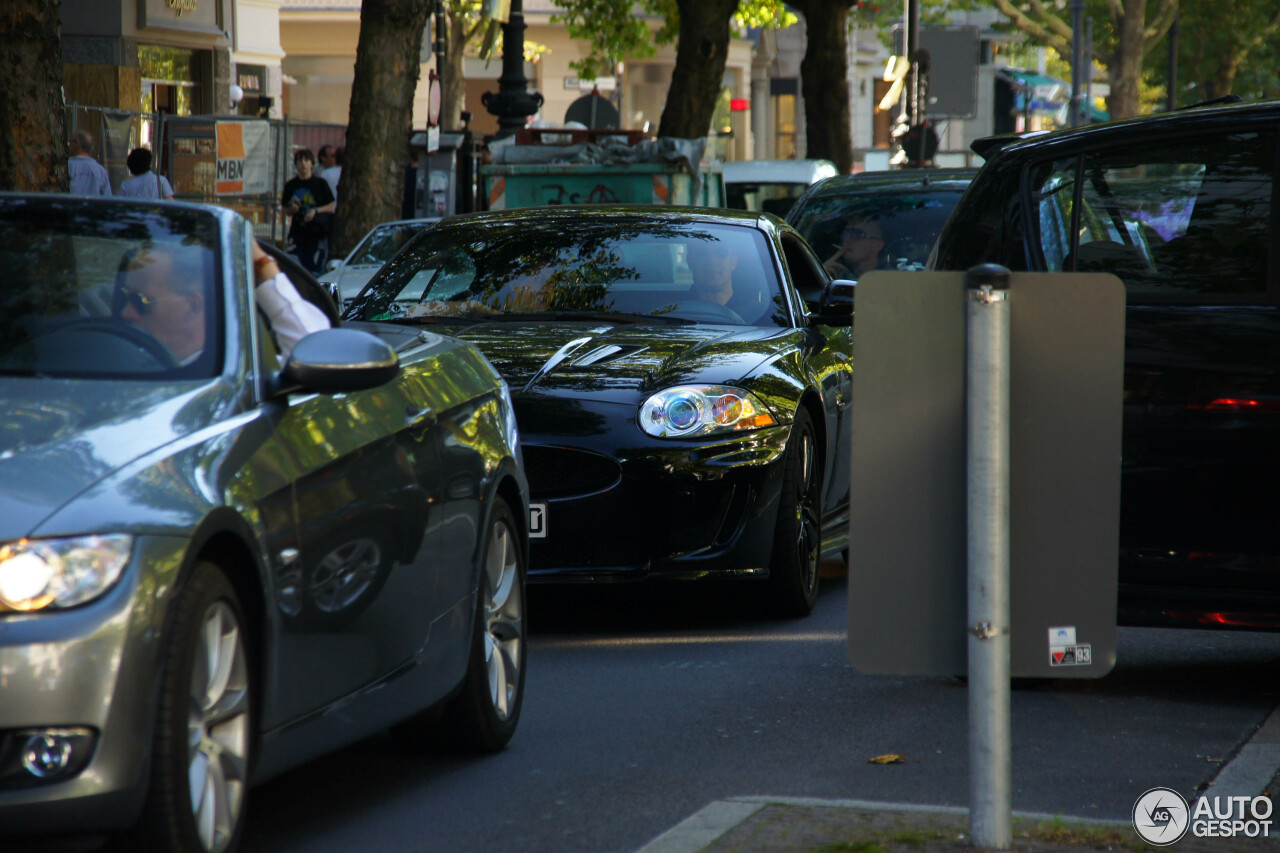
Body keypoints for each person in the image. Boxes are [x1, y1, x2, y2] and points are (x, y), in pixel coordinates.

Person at [119, 238, 329, 366]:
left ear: (193, 306)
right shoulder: (115, 362)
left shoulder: (240, 377)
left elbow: (315, 359)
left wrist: (262, 263)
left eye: (141, 301)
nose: (126, 313)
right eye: (124, 297)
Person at [280, 148, 336, 274]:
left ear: (312, 164)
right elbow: (285, 209)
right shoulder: (291, 185)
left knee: (316, 271)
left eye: (306, 160)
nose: (303, 164)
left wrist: (316, 211)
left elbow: (331, 206)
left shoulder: (320, 184)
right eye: (300, 161)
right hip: (298, 233)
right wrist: (292, 209)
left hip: (317, 235)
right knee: (294, 269)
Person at [686, 241, 739, 307]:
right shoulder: (675, 310)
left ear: (734, 262)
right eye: (702, 253)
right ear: (690, 261)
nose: (712, 262)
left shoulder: (753, 312)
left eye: (721, 253)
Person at [68, 130, 112, 197]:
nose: (68, 146)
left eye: (69, 143)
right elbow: (108, 198)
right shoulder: (101, 171)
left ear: (77, 144)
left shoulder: (68, 165)